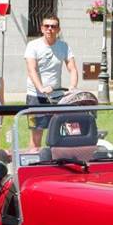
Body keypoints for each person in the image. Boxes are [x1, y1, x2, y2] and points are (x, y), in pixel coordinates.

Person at [24, 15, 78, 148]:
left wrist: (73, 87)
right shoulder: (33, 45)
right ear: (42, 28)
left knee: (63, 131)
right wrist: (41, 87)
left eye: (53, 26)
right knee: (37, 133)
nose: (50, 29)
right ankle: (33, 162)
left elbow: (72, 69)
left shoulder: (63, 46)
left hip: (57, 96)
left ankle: (59, 162)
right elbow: (32, 70)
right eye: (47, 26)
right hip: (36, 96)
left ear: (58, 29)